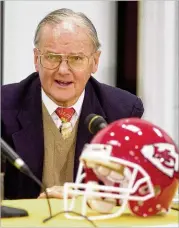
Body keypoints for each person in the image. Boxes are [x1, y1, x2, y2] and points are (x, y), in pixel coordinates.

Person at [1, 8, 144, 200]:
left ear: (94, 62)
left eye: (76, 59)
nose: (63, 70)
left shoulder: (122, 111)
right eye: (52, 57)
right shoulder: (4, 107)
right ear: (37, 59)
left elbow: (131, 191)